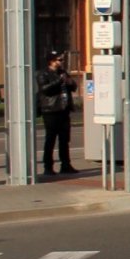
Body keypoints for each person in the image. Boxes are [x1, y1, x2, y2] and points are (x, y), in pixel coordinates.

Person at [36, 48, 79, 177]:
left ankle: (66, 164)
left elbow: (73, 87)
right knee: (50, 139)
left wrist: (70, 82)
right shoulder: (43, 74)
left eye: (62, 59)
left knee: (64, 139)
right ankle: (48, 166)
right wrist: (59, 81)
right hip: (50, 110)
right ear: (51, 61)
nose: (61, 61)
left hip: (63, 109)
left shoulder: (63, 72)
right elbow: (44, 89)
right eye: (59, 60)